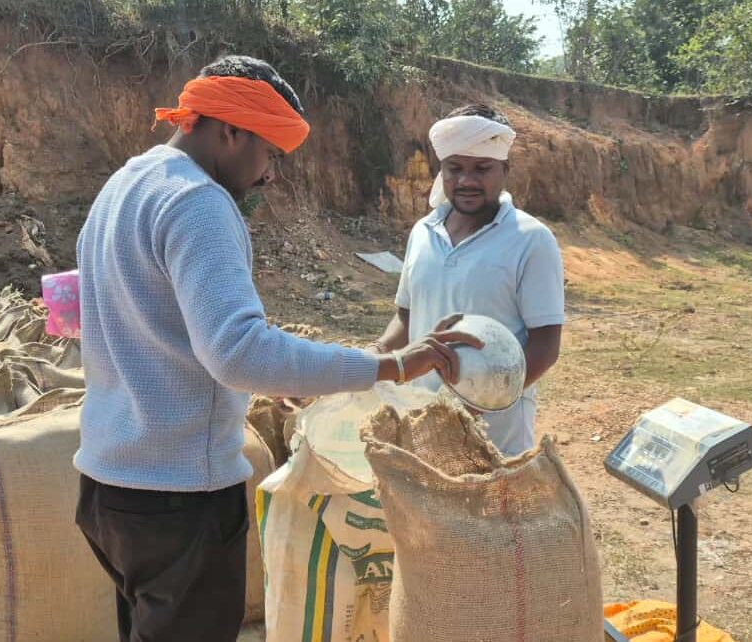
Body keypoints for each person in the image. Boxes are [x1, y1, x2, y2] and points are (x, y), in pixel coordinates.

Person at [73, 55, 481, 642]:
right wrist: (392, 365)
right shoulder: (198, 202)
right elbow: (238, 352)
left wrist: (281, 375)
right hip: (178, 499)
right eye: (270, 154)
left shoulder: (126, 184)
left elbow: (137, 322)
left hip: (109, 489)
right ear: (229, 131)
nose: (270, 176)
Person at [369, 103, 565, 457]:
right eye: (455, 168)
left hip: (494, 437)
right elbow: (407, 317)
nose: (467, 181)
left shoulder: (531, 239)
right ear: (441, 171)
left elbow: (545, 345)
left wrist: (477, 404)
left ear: (504, 170)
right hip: (419, 424)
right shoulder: (423, 231)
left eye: (482, 169)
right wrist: (377, 353)